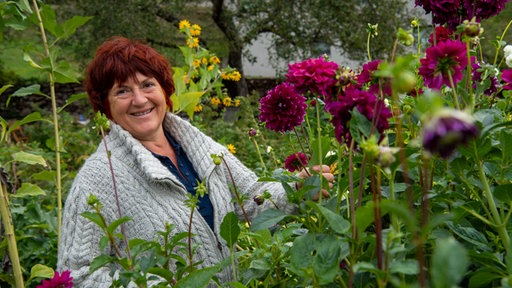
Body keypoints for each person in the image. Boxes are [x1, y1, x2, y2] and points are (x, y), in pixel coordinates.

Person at [57, 36, 333, 287]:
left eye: (147, 85)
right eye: (122, 91)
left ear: (165, 91)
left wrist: (295, 188)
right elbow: (77, 277)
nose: (139, 100)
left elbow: (250, 196)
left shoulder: (197, 146)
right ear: (104, 105)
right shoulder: (99, 177)